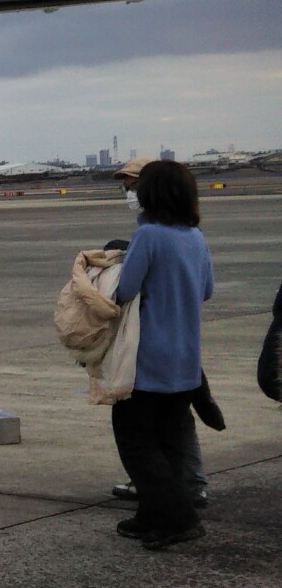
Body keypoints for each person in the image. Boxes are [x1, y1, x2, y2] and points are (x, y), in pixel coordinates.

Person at [109, 160, 214, 549]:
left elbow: (126, 289)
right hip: (185, 358)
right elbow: (207, 290)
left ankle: (178, 518)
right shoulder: (195, 237)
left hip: (149, 357)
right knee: (169, 438)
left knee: (134, 438)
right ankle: (152, 514)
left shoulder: (149, 235)